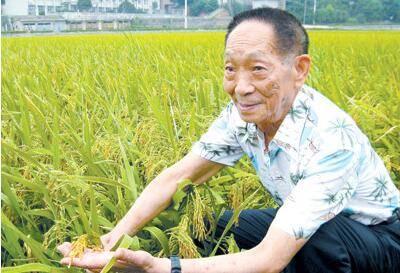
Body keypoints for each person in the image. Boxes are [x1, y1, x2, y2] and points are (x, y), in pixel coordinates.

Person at [57, 7, 400, 273]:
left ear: (299, 69)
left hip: (380, 241)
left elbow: (269, 259)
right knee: (211, 224)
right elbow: (179, 176)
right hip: (311, 221)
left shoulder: (331, 141)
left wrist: (161, 266)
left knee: (313, 237)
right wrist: (111, 238)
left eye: (258, 69)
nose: (242, 87)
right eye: (230, 69)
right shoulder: (245, 113)